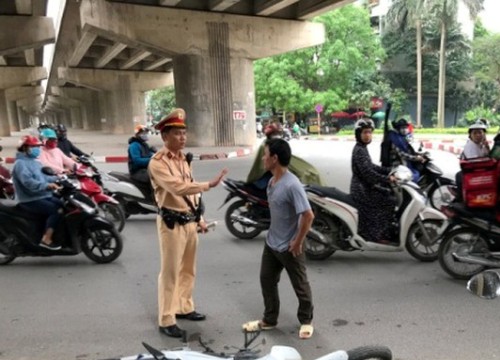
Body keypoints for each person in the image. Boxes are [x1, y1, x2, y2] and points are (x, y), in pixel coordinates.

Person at [148, 108, 228, 338]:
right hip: (171, 224)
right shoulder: (158, 163)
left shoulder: (184, 159)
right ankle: (166, 318)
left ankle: (184, 307)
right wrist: (208, 185)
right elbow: (177, 188)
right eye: (177, 133)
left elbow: (191, 196)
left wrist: (200, 219)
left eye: (184, 133)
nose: (183, 137)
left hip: (190, 222)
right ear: (165, 137)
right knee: (170, 272)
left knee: (188, 270)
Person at [242, 138, 315, 340]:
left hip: (290, 246)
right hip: (272, 242)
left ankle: (306, 321)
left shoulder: (292, 185)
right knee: (267, 280)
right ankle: (270, 319)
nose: (263, 158)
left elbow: (308, 215)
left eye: (266, 154)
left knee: (300, 285)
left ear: (274, 158)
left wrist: (298, 241)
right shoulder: (272, 181)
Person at [11, 135, 62, 250]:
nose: (37, 149)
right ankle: (46, 239)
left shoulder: (35, 162)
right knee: (55, 211)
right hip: (29, 200)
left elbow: (44, 177)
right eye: (34, 146)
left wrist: (60, 178)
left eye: (38, 146)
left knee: (63, 204)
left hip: (42, 195)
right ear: (25, 148)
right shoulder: (20, 164)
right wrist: (46, 186)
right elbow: (28, 182)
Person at [351, 119, 396, 244]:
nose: (368, 135)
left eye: (370, 132)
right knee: (388, 201)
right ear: (358, 134)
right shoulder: (359, 150)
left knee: (389, 195)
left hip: (365, 186)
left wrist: (389, 170)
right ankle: (376, 233)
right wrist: (387, 178)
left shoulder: (362, 148)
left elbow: (372, 166)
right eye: (365, 132)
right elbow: (368, 173)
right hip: (361, 190)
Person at [246, 123, 325, 189]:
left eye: (278, 134)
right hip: (267, 176)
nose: (278, 136)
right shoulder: (267, 147)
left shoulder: (275, 145)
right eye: (275, 134)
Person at [388, 118, 425, 183]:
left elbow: (409, 150)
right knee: (413, 176)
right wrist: (416, 158)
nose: (404, 129)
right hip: (398, 164)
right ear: (398, 129)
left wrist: (419, 154)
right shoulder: (395, 140)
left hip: (405, 161)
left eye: (405, 127)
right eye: (402, 128)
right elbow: (402, 154)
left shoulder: (403, 138)